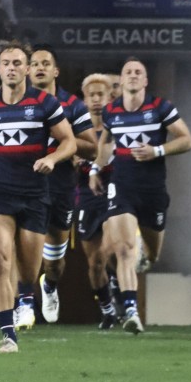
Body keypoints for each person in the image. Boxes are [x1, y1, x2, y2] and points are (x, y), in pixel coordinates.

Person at [0, 41, 77, 354]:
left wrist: (52, 159)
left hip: (35, 193)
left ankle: (26, 297)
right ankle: (8, 334)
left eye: (17, 63)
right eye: (6, 62)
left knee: (27, 271)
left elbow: (70, 142)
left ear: (25, 69)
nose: (11, 68)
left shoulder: (45, 103)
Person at [94, 58, 191, 336]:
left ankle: (143, 254)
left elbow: (186, 139)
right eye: (129, 72)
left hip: (152, 191)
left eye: (139, 72)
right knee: (124, 250)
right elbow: (106, 142)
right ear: (121, 82)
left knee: (151, 255)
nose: (134, 76)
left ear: (145, 81)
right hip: (122, 187)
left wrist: (156, 151)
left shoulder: (160, 108)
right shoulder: (111, 111)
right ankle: (131, 312)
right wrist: (94, 169)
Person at [27, 46, 96, 325]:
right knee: (23, 250)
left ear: (55, 71)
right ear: (28, 70)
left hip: (60, 187)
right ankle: (23, 302)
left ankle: (50, 286)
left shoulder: (73, 105)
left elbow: (91, 148)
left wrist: (64, 139)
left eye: (46, 63)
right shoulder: (14, 102)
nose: (40, 67)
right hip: (24, 185)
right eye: (35, 63)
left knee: (53, 263)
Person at [76, 73, 118, 329]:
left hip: (115, 195)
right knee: (94, 263)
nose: (95, 100)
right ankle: (107, 309)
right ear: (84, 99)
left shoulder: (119, 125)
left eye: (100, 94)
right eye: (90, 95)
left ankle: (121, 291)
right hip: (86, 198)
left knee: (113, 248)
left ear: (110, 97)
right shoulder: (77, 131)